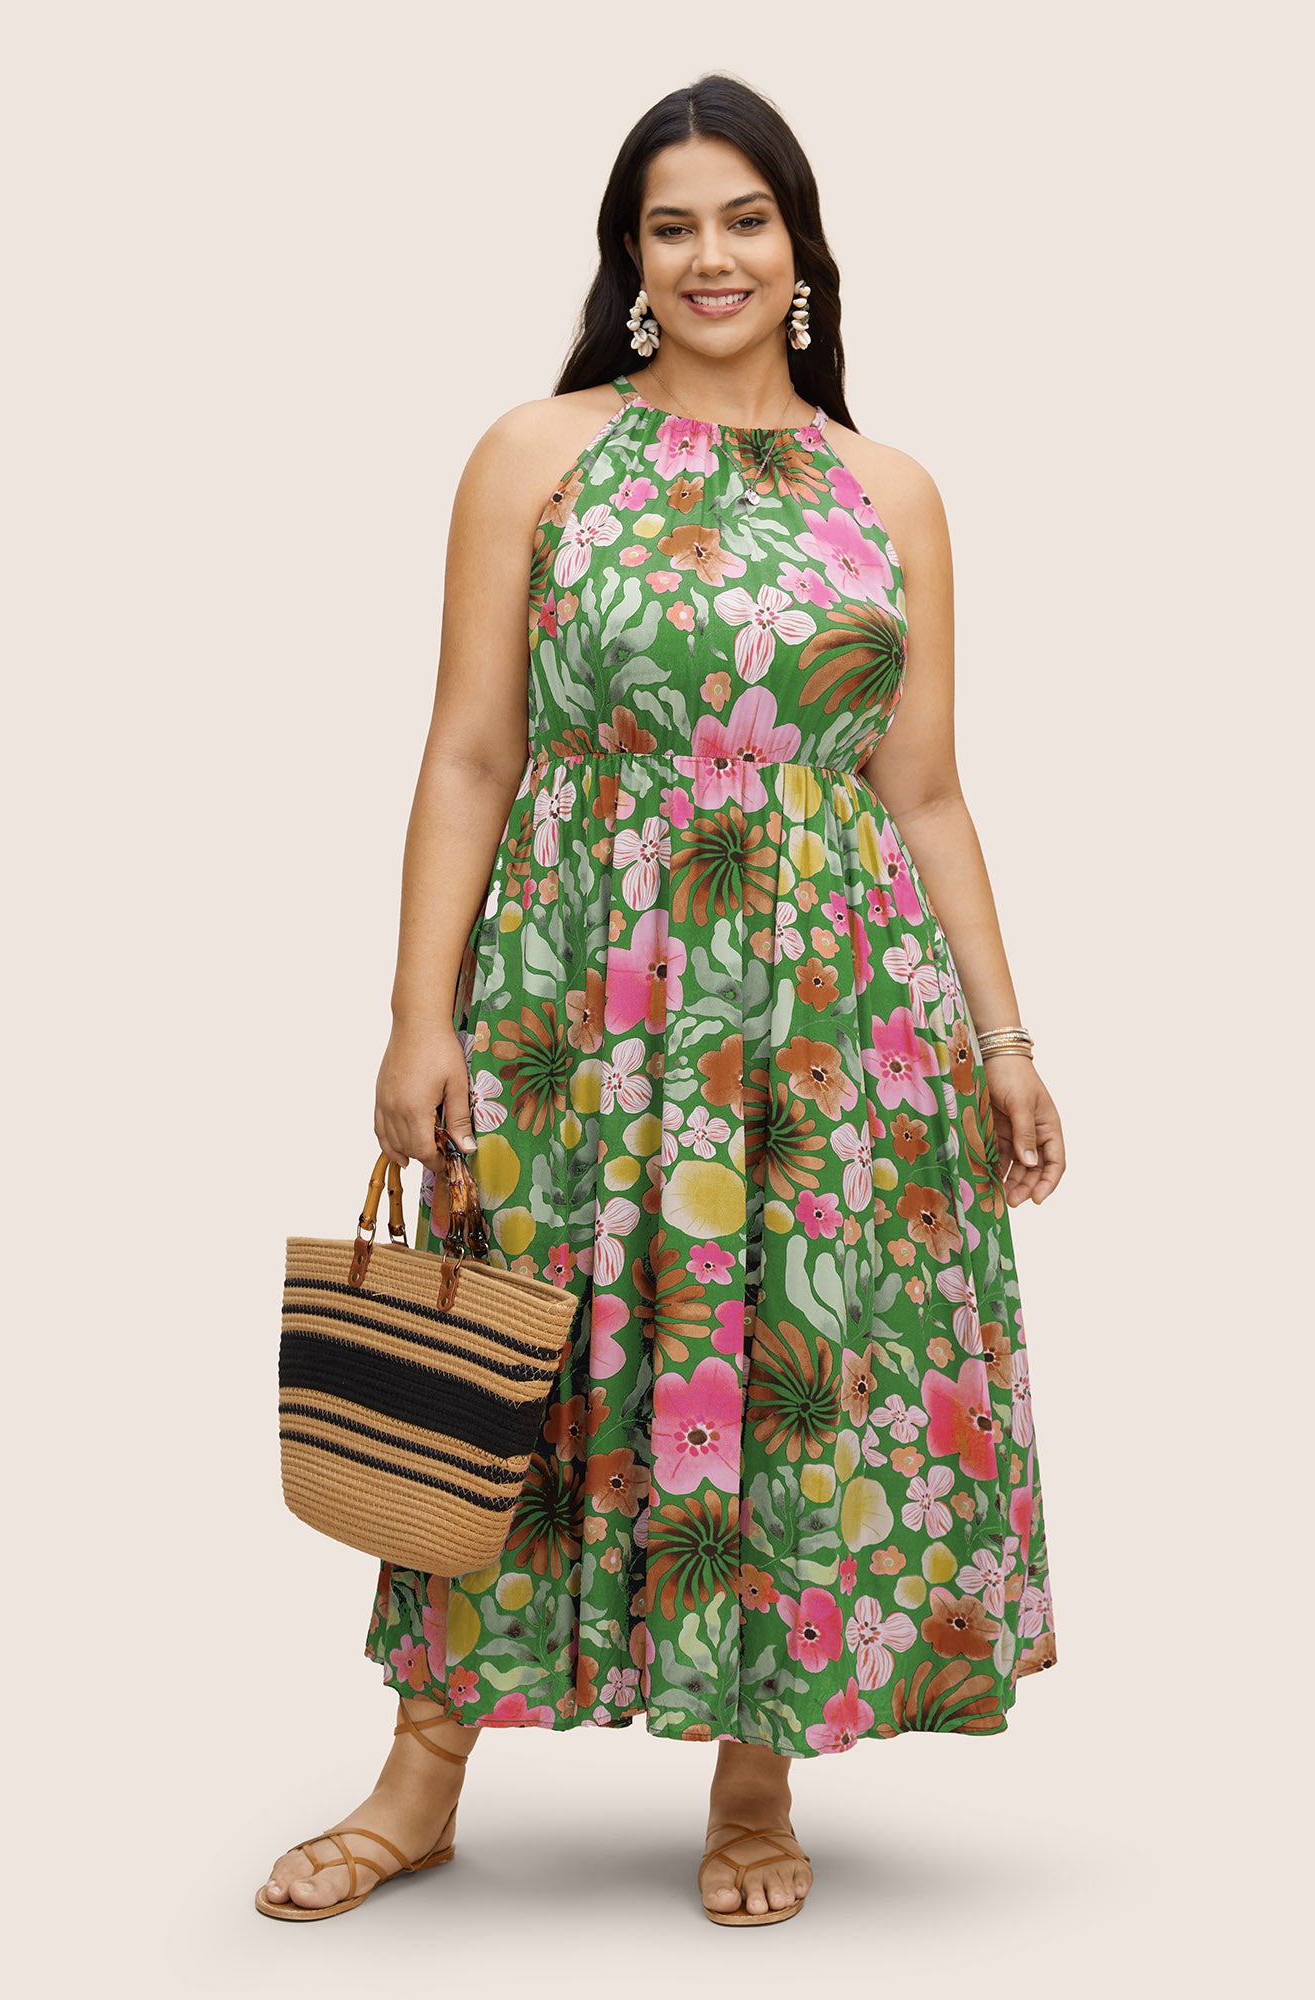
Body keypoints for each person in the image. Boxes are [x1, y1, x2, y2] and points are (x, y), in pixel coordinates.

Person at [258, 70, 1064, 1930]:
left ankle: (755, 1775)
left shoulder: (889, 492)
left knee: (788, 1360)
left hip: (836, 1016)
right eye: (671, 225)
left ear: (802, 248)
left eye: (744, 220)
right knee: (518, 1358)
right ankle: (420, 1779)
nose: (713, 256)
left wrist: (1007, 1041)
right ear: (629, 260)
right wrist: (417, 1015)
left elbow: (926, 789)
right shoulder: (537, 454)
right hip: (581, 994)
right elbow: (472, 752)